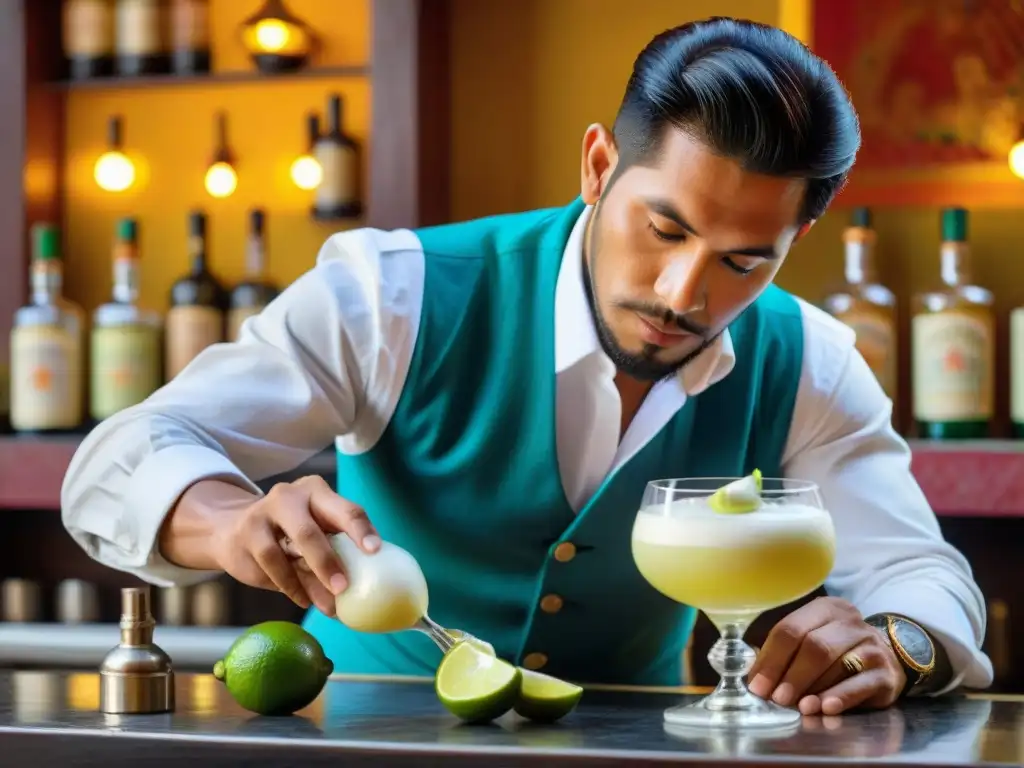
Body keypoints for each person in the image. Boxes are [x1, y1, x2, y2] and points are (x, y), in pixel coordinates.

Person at [61, 17, 992, 717]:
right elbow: (124, 455)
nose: (682, 290)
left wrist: (896, 644)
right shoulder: (394, 295)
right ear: (597, 165)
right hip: (354, 740)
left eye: (744, 260)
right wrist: (229, 523)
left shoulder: (809, 361)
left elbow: (920, 571)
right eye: (663, 227)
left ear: (799, 237)